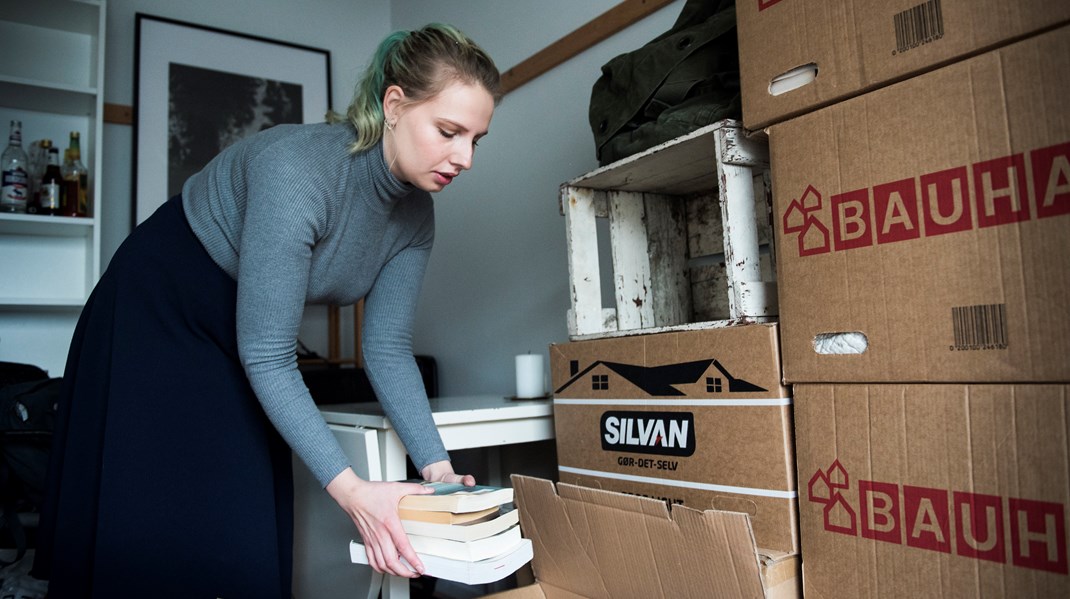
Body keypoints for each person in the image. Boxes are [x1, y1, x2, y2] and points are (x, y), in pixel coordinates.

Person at [31, 23, 501, 598]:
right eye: (450, 131)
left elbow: (384, 348)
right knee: (147, 521)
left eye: (476, 139)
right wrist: (355, 493)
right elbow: (269, 353)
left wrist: (437, 469)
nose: (465, 158)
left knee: (247, 527)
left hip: (244, 333)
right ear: (395, 105)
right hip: (156, 309)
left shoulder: (416, 219)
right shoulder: (297, 170)